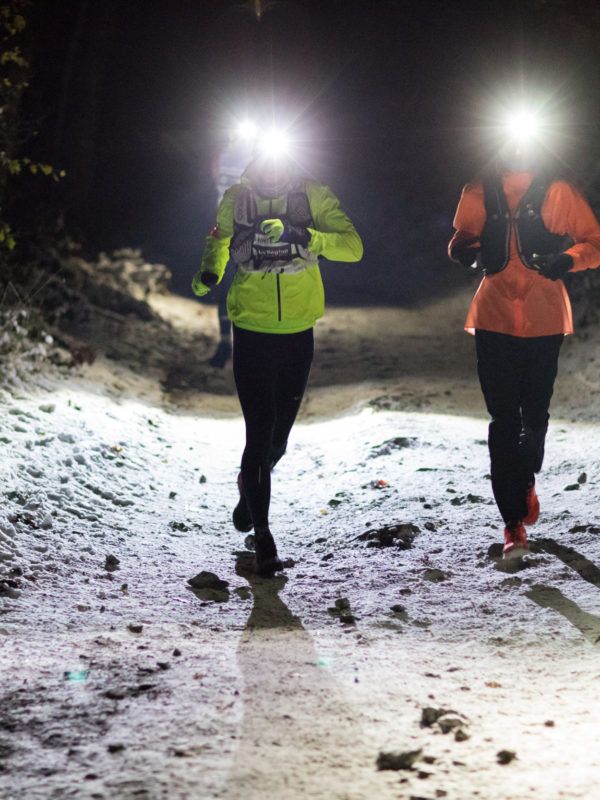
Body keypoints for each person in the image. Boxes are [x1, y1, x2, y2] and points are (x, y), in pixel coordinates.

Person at [192, 142, 363, 576]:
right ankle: (264, 537)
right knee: (258, 431)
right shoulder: (237, 197)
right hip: (250, 328)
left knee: (278, 441)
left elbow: (353, 247)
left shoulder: (313, 195)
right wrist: (209, 271)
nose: (271, 171)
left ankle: (248, 491)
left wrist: (307, 236)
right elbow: (219, 238)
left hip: (297, 334)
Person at [448, 120, 600, 559]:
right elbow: (462, 236)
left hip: (545, 318)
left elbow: (594, 242)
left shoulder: (559, 192)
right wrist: (463, 250)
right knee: (503, 420)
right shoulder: (479, 190)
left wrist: (567, 259)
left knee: (533, 416)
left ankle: (527, 474)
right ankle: (512, 522)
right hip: (493, 316)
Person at [208, 126, 257, 367]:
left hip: (252, 233)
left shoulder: (259, 160)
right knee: (226, 287)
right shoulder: (222, 157)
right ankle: (225, 343)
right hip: (227, 231)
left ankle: (249, 347)